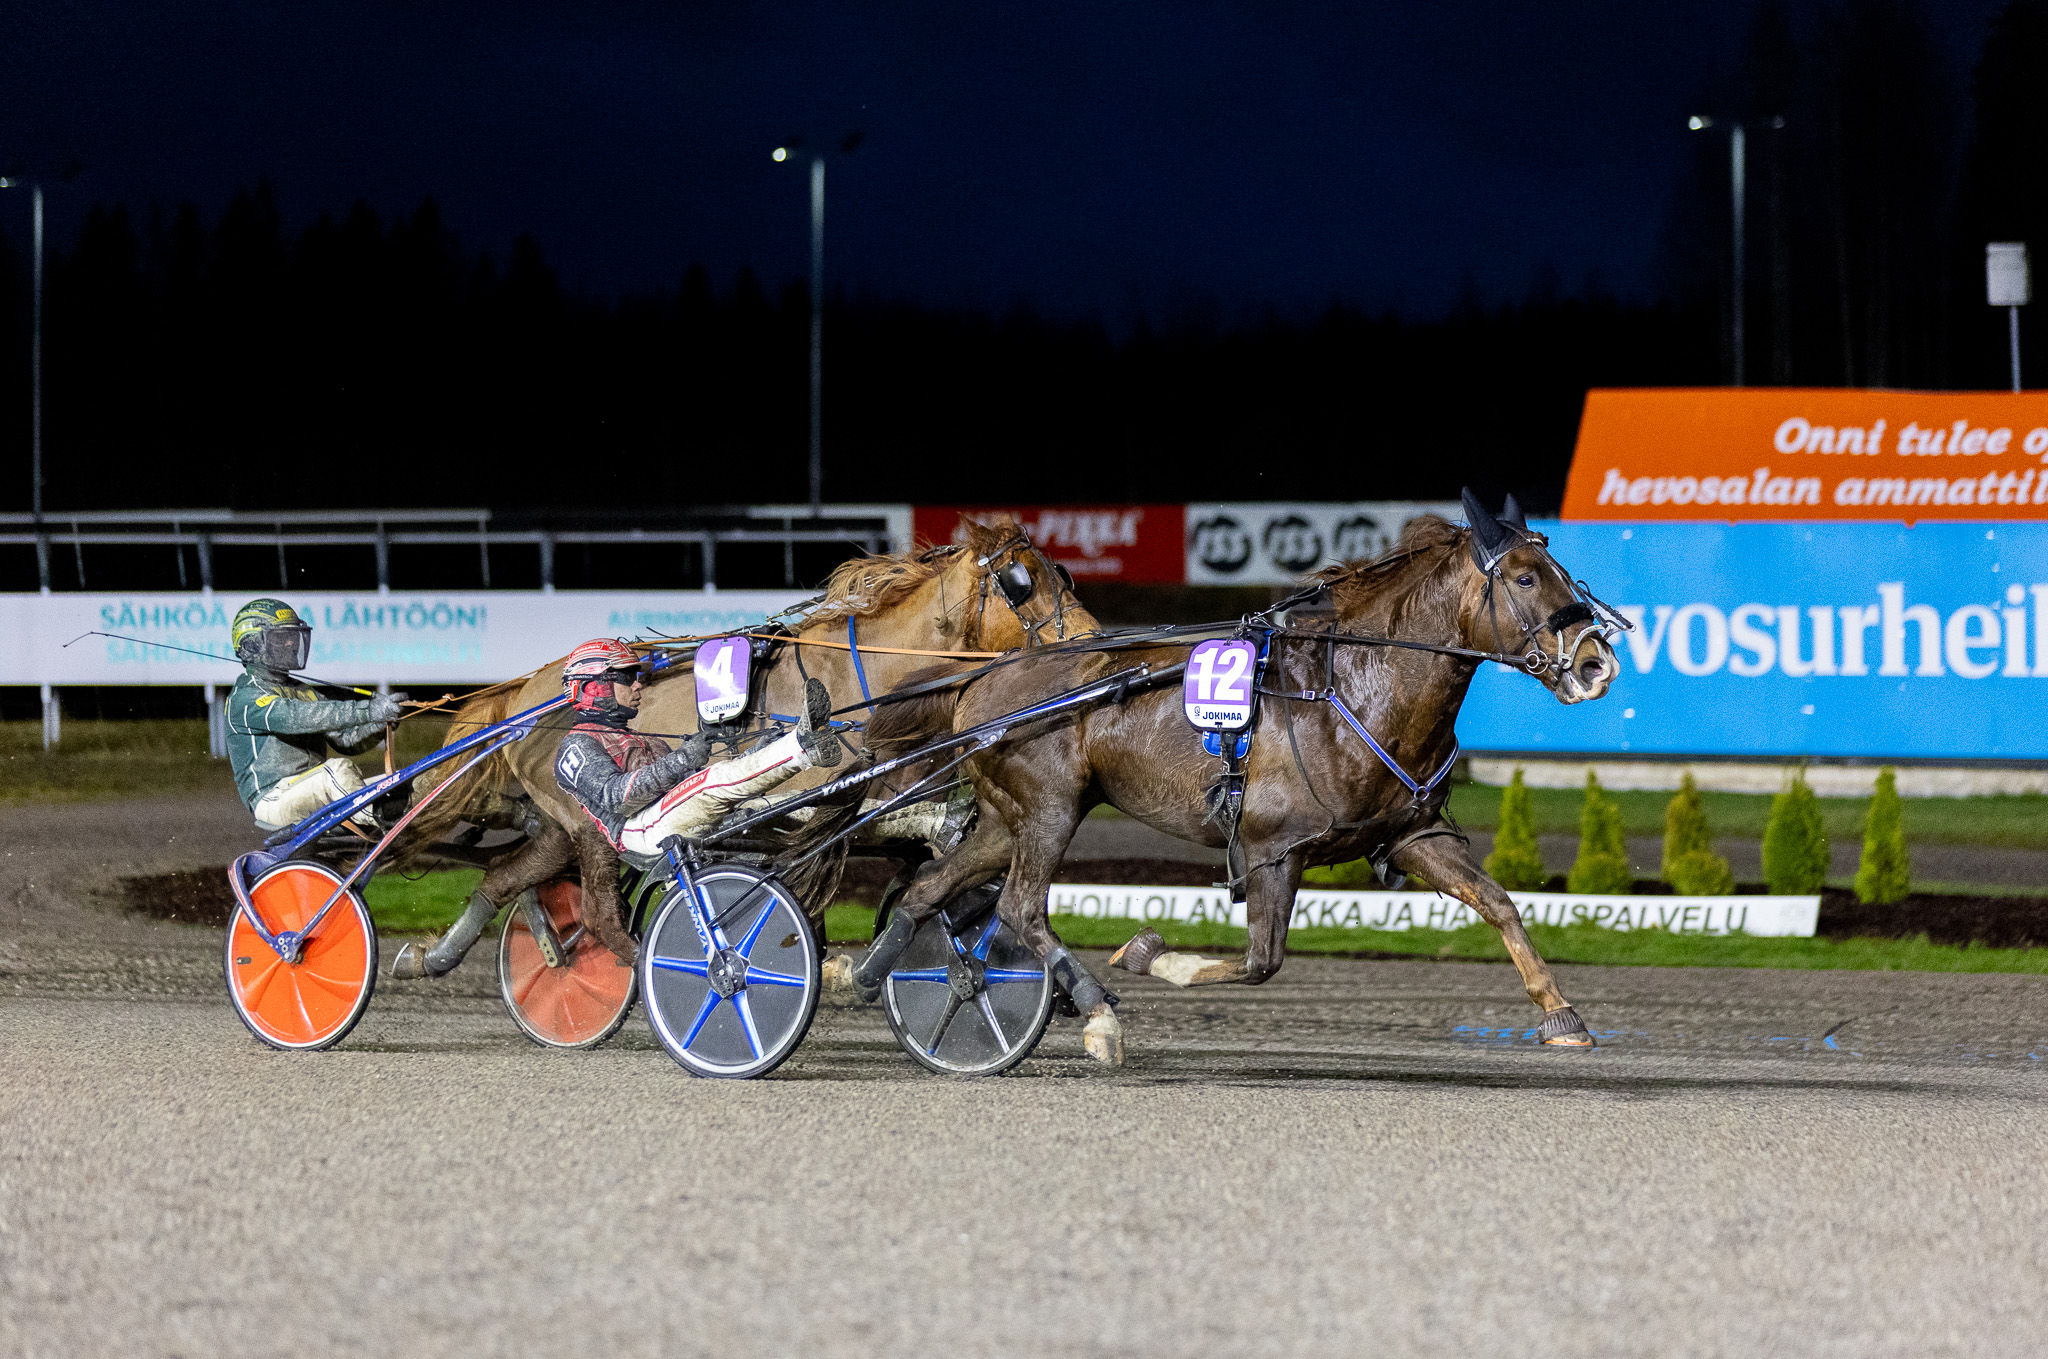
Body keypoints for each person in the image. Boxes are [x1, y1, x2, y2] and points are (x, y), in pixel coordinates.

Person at [550, 637, 842, 859]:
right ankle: (802, 747)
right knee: (712, 781)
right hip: (638, 830)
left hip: (666, 815)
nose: (638, 686)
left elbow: (696, 784)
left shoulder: (645, 740)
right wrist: (681, 759)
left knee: (794, 804)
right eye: (627, 678)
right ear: (591, 687)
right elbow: (618, 799)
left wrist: (757, 753)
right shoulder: (576, 745)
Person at [224, 598, 404, 831]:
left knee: (399, 781)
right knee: (336, 771)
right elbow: (296, 717)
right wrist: (368, 710)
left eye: (293, 636)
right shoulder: (245, 698)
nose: (291, 643)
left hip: (316, 788)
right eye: (281, 637)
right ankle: (386, 825)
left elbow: (347, 741)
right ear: (251, 645)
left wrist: (380, 723)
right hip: (274, 800)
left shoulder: (302, 690)